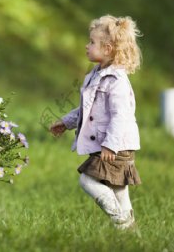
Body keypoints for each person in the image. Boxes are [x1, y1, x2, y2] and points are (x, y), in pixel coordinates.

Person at [50, 15, 142, 229]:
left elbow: (122, 116)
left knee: (87, 180)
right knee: (118, 189)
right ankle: (130, 233)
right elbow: (87, 108)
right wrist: (66, 122)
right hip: (114, 144)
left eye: (92, 42)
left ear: (108, 49)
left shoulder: (115, 81)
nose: (87, 46)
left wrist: (111, 143)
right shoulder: (97, 74)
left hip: (114, 145)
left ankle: (120, 220)